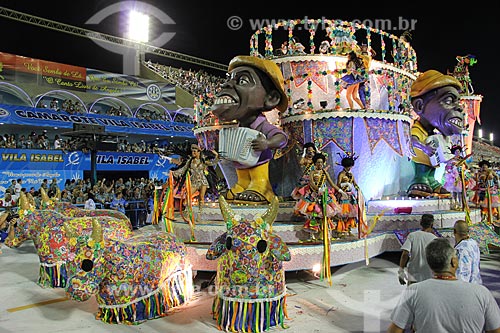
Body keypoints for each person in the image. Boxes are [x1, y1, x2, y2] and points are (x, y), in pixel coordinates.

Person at [211, 55, 288, 204]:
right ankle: (243, 185)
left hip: (259, 164)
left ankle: (262, 187)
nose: (226, 85)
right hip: (241, 166)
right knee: (242, 178)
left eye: (243, 80)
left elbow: (282, 138)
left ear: (271, 98)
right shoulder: (236, 129)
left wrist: (267, 143)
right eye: (228, 79)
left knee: (258, 175)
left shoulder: (262, 126)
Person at [387, 238, 500, 333]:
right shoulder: (481, 293)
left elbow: (394, 330)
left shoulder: (414, 291)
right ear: (454, 262)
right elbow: (495, 330)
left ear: (430, 264)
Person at [406, 70, 464, 197]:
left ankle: (432, 182)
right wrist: (424, 148)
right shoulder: (418, 128)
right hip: (421, 162)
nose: (459, 108)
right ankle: (419, 180)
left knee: (431, 174)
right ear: (419, 106)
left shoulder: (436, 133)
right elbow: (412, 141)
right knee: (422, 174)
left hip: (433, 163)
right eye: (449, 100)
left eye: (458, 102)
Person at [293, 153, 345, 241]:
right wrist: (318, 189)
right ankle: (312, 235)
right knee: (313, 215)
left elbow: (332, 183)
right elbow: (311, 183)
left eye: (321, 162)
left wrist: (341, 191)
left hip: (324, 195)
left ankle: (323, 234)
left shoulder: (325, 173)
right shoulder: (312, 172)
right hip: (313, 195)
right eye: (318, 162)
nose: (320, 164)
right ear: (315, 163)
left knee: (324, 214)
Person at [397, 214, 437, 285]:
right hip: (429, 275)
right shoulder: (434, 239)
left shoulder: (412, 235)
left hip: (413, 273)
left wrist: (401, 271)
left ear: (421, 223)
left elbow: (405, 254)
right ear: (432, 224)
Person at [336, 153, 360, 237]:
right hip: (343, 195)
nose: (350, 168)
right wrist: (345, 185)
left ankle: (349, 229)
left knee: (351, 214)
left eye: (351, 166)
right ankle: (341, 230)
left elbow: (354, 183)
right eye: (348, 166)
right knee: (343, 213)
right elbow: (338, 184)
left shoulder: (351, 174)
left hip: (350, 195)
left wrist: (357, 188)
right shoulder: (341, 174)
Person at [453, 219, 483, 284]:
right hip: (477, 283)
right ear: (468, 231)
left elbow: (462, 273)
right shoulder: (473, 243)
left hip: (467, 287)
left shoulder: (461, 249)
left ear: (454, 231)